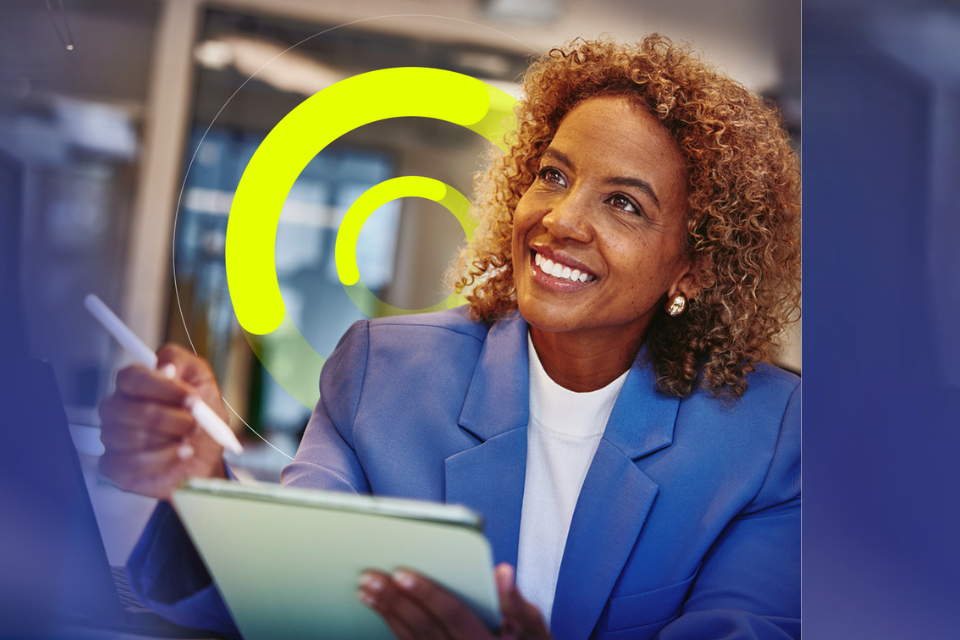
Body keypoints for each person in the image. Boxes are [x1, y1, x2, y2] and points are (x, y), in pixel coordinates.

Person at [99, 35, 801, 640]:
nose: (560, 218)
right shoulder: (383, 372)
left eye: (623, 202)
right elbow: (286, 603)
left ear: (694, 268)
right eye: (553, 175)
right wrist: (200, 491)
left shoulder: (772, 439)